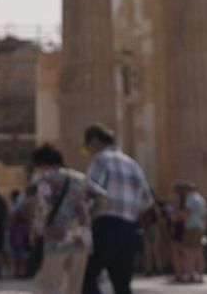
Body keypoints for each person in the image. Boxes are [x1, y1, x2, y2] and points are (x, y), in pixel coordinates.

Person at [79, 123, 153, 294]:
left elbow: (91, 193)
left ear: (95, 141)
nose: (89, 152)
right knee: (122, 283)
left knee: (85, 277)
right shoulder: (132, 164)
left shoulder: (100, 160)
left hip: (106, 225)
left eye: (88, 147)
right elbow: (147, 201)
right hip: (130, 228)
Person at [29, 144, 107, 294]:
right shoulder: (80, 177)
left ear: (42, 163)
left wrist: (36, 231)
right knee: (73, 287)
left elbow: (43, 207)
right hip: (81, 236)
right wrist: (88, 216)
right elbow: (102, 196)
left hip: (56, 236)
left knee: (47, 285)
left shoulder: (47, 178)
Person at [176, 180, 206, 284]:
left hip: (191, 226)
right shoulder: (201, 199)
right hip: (199, 226)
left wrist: (178, 216)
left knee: (187, 251)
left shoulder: (190, 198)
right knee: (198, 252)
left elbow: (187, 213)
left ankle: (190, 274)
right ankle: (200, 275)